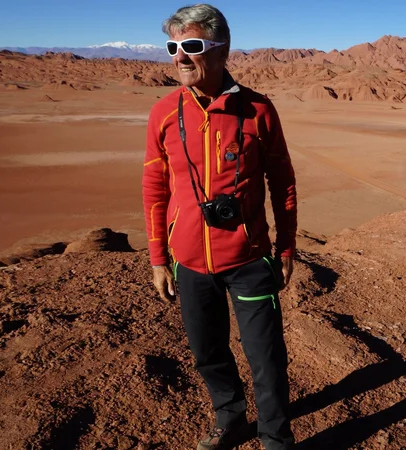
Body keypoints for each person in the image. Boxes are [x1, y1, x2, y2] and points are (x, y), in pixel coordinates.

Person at [142, 4, 297, 449]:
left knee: (266, 359)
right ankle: (229, 418)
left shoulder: (258, 110)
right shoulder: (164, 113)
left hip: (249, 259)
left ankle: (275, 439)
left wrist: (285, 249)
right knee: (208, 354)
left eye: (191, 46)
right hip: (189, 262)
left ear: (221, 49)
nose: (179, 57)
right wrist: (159, 259)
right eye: (173, 47)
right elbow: (154, 188)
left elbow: (282, 183)